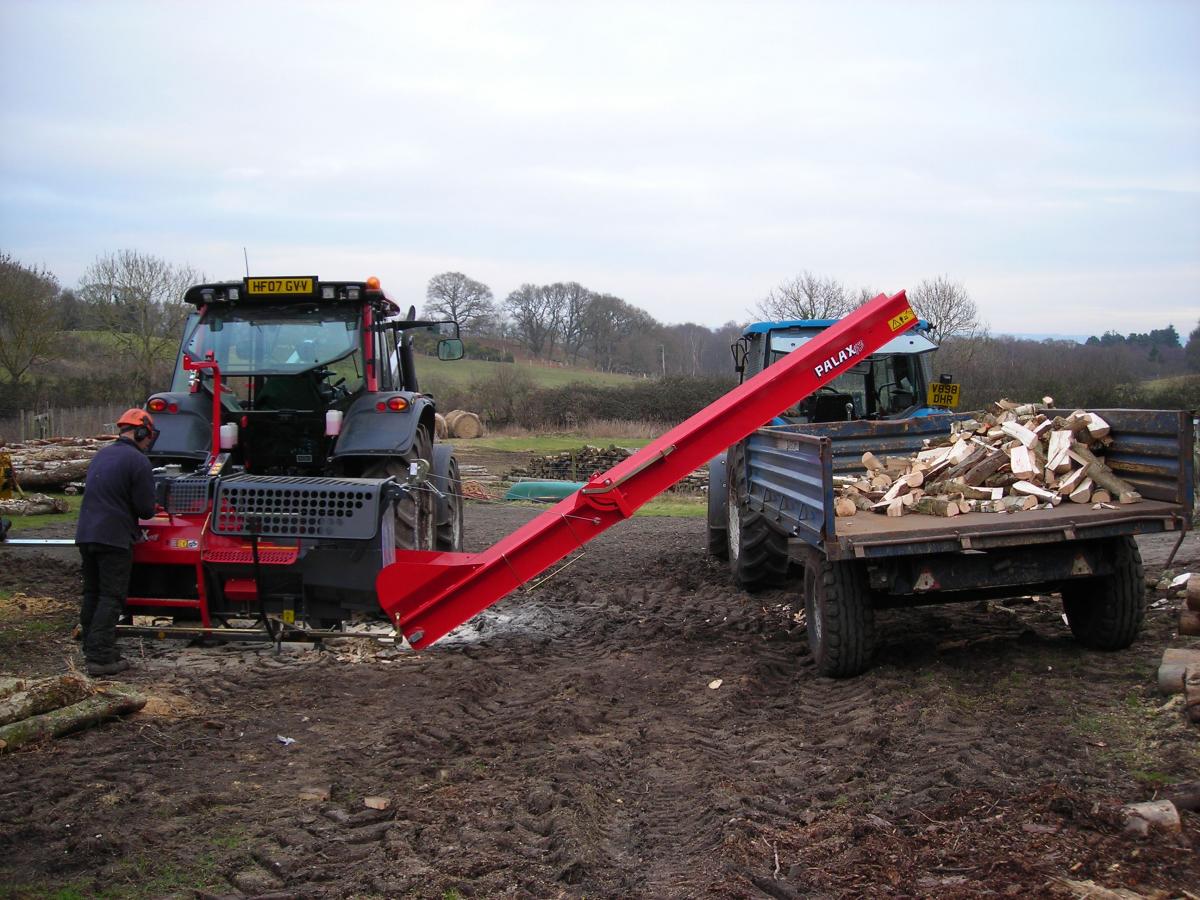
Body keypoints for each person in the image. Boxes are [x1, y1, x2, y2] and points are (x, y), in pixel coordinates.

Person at [74, 408, 157, 676]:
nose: (149, 442)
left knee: (92, 594)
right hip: (114, 538)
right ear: (142, 431)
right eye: (148, 436)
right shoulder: (138, 461)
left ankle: (92, 649)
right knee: (111, 596)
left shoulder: (102, 455)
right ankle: (101, 658)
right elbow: (146, 510)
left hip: (87, 534)